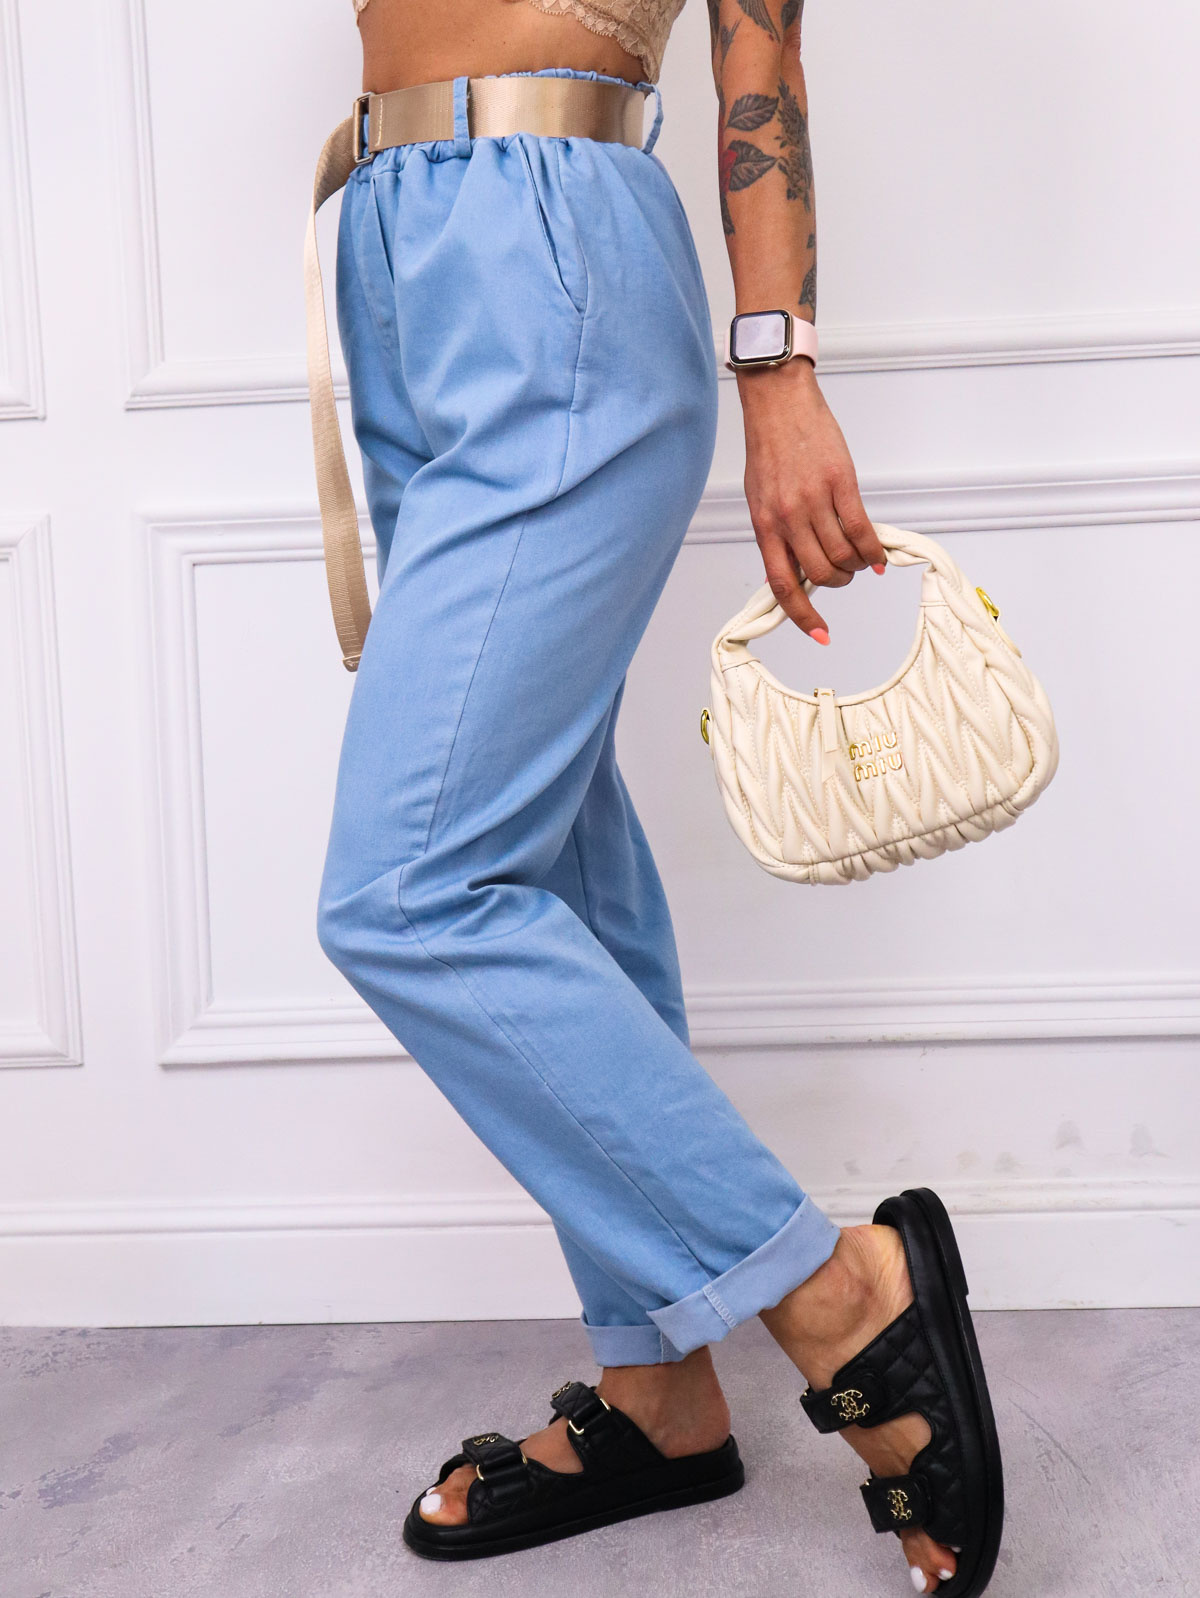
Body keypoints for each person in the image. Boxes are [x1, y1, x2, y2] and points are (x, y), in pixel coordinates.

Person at [312, 2, 1001, 1592]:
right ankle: (661, 1392)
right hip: (391, 247)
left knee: (411, 886)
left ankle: (838, 1293)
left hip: (552, 237)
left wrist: (781, 371)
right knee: (539, 845)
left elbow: (762, 50)